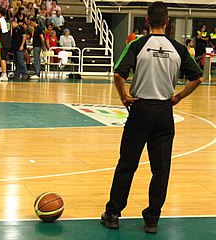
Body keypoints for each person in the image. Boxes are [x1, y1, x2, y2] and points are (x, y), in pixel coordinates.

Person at [101, 1, 203, 234]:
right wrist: (178, 98)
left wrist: (124, 96)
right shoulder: (179, 49)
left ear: (147, 22)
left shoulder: (137, 45)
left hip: (140, 110)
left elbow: (118, 74)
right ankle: (152, 219)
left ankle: (113, 214)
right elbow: (197, 78)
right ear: (167, 22)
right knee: (161, 169)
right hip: (164, 112)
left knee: (127, 164)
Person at [0, 8, 11, 81]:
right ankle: (3, 73)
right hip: (8, 41)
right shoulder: (9, 22)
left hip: (1, 42)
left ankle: (4, 74)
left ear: (0, 14)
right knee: (4, 57)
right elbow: (11, 33)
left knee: (2, 58)